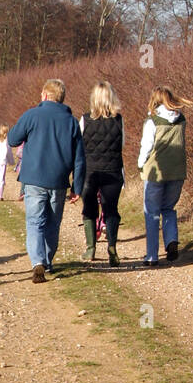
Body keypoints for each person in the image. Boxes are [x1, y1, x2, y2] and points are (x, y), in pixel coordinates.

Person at [8, 78, 85, 284]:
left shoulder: (32, 115)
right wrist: (77, 187)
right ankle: (47, 261)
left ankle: (37, 262)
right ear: (61, 99)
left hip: (33, 179)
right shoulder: (72, 122)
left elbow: (12, 139)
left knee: (34, 222)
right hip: (59, 181)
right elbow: (79, 159)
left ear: (44, 95)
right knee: (53, 223)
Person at [137, 86, 192, 266]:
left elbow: (146, 148)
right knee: (168, 208)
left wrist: (140, 165)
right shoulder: (181, 119)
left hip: (156, 172)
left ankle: (152, 256)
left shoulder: (152, 121)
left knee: (152, 213)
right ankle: (171, 240)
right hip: (177, 172)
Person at [79, 81, 125, 266]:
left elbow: (79, 145)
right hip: (113, 170)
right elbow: (122, 144)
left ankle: (90, 249)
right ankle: (112, 248)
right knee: (111, 210)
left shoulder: (84, 119)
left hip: (90, 171)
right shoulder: (119, 120)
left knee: (89, 209)